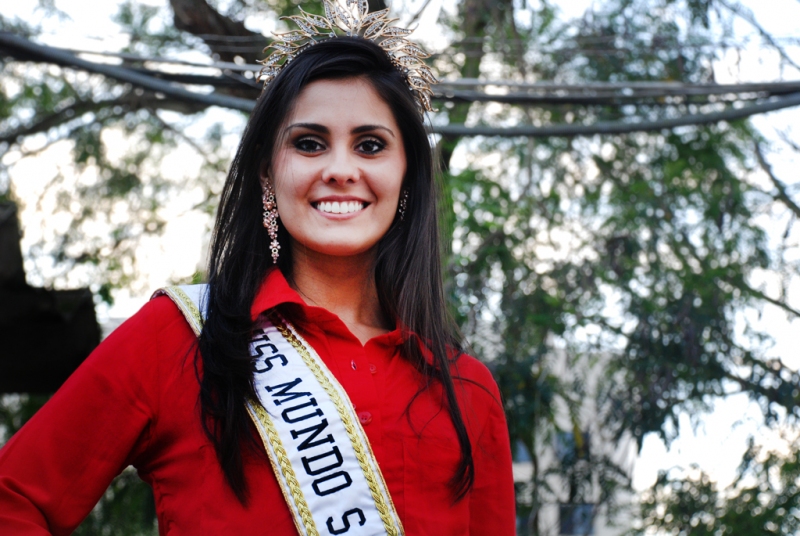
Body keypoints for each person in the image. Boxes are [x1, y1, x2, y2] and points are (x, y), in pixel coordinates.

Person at [0, 2, 515, 534]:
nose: (340, 170)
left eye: (370, 145)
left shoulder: (465, 389)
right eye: (309, 144)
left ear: (407, 177)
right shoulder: (176, 340)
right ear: (267, 175)